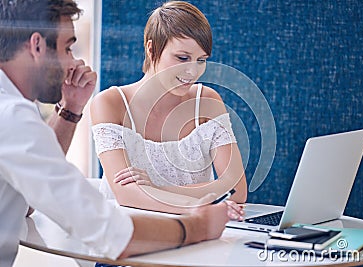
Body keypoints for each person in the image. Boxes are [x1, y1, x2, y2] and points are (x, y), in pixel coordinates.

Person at [0, 1, 229, 267]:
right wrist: (196, 226)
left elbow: (25, 202)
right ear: (37, 45)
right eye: (68, 48)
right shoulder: (12, 117)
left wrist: (71, 109)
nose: (74, 62)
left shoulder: (12, 111)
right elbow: (111, 234)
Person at [90, 1, 247, 218]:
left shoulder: (207, 101)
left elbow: (236, 189)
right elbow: (126, 195)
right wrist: (198, 203)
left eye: (201, 60)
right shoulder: (110, 103)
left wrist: (156, 190)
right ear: (151, 49)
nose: (192, 71)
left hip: (196, 233)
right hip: (126, 233)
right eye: (182, 58)